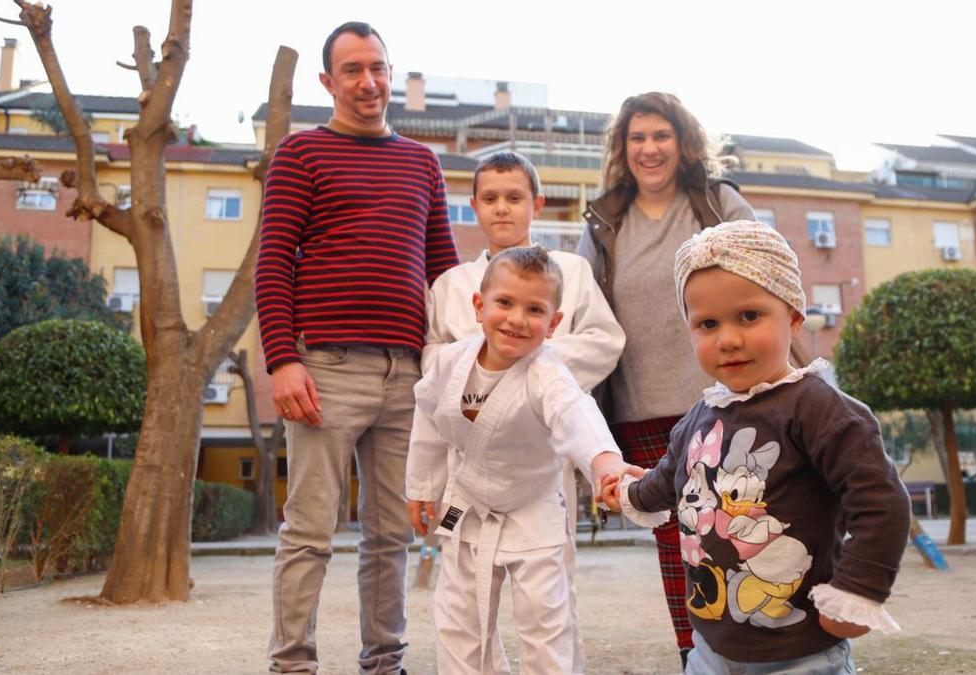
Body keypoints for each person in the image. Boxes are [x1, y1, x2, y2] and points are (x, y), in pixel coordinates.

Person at [599, 221, 911, 674]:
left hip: (802, 653)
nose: (727, 338)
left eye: (748, 316)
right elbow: (668, 480)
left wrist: (857, 592)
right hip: (709, 648)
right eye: (707, 324)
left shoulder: (820, 409)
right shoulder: (699, 418)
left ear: (794, 316)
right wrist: (628, 491)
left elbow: (880, 501)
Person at [255, 21, 459, 674]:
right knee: (310, 533)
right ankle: (292, 666)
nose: (367, 81)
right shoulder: (301, 154)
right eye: (351, 70)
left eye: (377, 66)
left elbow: (445, 275)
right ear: (328, 81)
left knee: (390, 536)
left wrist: (455, 367)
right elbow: (274, 260)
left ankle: (385, 664)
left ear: (390, 72)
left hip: (410, 374)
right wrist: (282, 358)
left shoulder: (423, 163)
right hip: (325, 367)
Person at [422, 150, 625, 672]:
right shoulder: (450, 285)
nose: (502, 209)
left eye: (514, 197)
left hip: (541, 450)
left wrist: (525, 368)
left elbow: (604, 341)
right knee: (462, 599)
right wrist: (480, 366)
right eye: (489, 199)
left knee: (550, 594)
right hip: (465, 458)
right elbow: (433, 366)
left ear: (535, 203)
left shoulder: (573, 272)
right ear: (473, 207)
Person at [577, 91, 756, 665]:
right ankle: (694, 658)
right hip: (639, 408)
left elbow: (768, 271)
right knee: (673, 541)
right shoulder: (605, 218)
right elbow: (583, 308)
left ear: (683, 143)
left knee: (738, 531)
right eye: (637, 138)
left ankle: (752, 652)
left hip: (726, 400)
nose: (649, 148)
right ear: (622, 148)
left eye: (660, 135)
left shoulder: (716, 201)